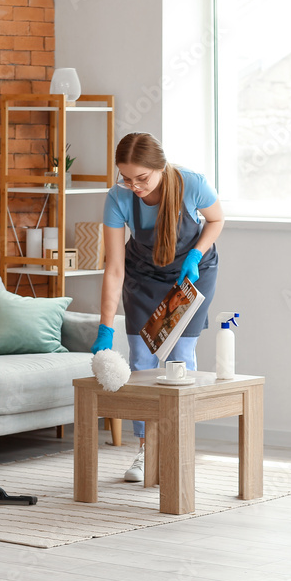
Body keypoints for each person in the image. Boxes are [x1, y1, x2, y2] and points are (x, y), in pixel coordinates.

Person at [91, 132, 224, 481]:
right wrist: (106, 326)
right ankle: (146, 449)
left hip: (190, 271)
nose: (134, 186)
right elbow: (115, 267)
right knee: (142, 359)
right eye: (126, 178)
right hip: (144, 275)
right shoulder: (118, 199)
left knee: (180, 356)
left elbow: (216, 219)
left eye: (142, 178)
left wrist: (196, 253)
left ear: (160, 167)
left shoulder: (191, 184)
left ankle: (178, 447)